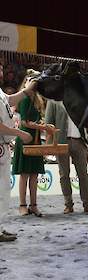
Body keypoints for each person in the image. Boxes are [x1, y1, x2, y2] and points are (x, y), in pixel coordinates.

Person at [0, 63, 34, 241]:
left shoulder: (0, 93)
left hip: (4, 146)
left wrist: (28, 90)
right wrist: (19, 133)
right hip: (1, 143)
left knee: (3, 188)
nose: (0, 72)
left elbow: (11, 100)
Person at [12, 75, 54, 217]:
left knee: (34, 174)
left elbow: (35, 121)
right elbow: (24, 122)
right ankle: (22, 205)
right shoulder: (23, 99)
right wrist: (42, 127)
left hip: (35, 139)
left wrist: (43, 126)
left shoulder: (38, 100)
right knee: (24, 175)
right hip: (25, 138)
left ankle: (34, 205)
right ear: (26, 83)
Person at [45, 100, 88, 214]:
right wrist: (49, 144)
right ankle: (68, 204)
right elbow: (48, 121)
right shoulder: (53, 101)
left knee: (83, 174)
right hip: (61, 141)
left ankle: (87, 204)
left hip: (79, 141)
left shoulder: (78, 97)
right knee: (64, 174)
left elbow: (87, 121)